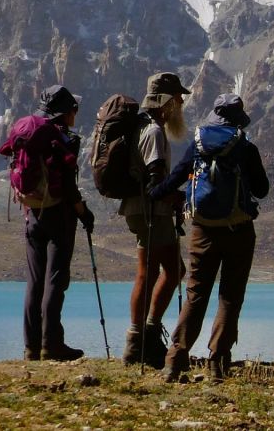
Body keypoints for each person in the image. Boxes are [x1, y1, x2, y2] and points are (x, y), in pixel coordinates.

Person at [150, 93, 270, 381]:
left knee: (195, 294)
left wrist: (154, 194)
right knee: (230, 297)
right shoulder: (244, 146)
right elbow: (262, 189)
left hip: (202, 231)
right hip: (239, 230)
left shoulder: (199, 143)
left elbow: (176, 177)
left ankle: (175, 361)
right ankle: (218, 363)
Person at [0, 84, 94, 361]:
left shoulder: (27, 134)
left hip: (31, 214)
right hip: (58, 214)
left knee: (34, 281)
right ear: (65, 112)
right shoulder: (61, 139)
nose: (76, 113)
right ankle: (51, 344)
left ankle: (31, 346)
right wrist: (83, 212)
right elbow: (67, 184)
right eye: (74, 109)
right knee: (55, 280)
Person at [121, 72, 190, 367]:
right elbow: (155, 183)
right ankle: (144, 339)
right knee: (170, 271)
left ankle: (138, 341)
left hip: (138, 210)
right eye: (177, 99)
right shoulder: (154, 132)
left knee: (151, 271)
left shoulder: (141, 127)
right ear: (165, 102)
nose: (180, 105)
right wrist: (175, 197)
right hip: (152, 212)